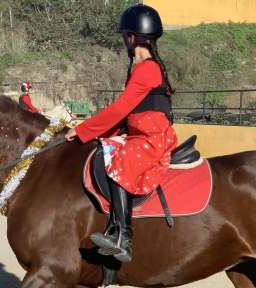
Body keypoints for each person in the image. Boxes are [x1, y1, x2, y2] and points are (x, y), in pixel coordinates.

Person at [65, 4, 177, 263]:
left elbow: (120, 109)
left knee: (122, 161)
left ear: (131, 37)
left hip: (151, 138)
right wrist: (99, 135)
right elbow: (127, 115)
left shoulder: (148, 69)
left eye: (124, 36)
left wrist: (82, 130)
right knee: (108, 149)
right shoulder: (138, 69)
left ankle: (123, 237)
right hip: (138, 133)